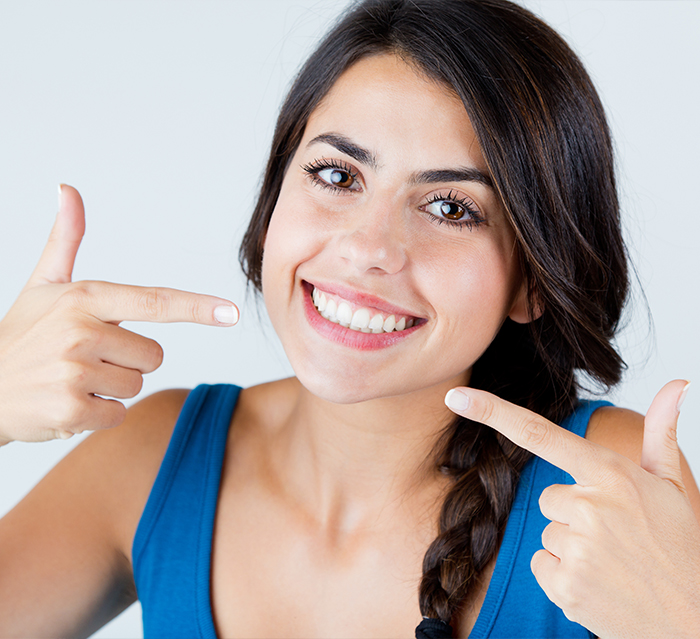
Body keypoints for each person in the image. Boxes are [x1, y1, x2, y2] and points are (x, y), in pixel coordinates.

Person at [0, 0, 698, 637]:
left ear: (533, 279)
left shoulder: (608, 487)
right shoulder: (154, 458)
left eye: (451, 207)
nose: (369, 250)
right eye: (338, 176)